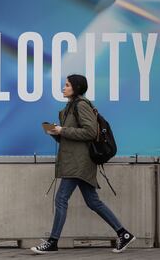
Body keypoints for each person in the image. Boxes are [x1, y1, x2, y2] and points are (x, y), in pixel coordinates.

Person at [30, 74, 135, 254]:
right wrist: (56, 132)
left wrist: (63, 129)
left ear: (76, 88)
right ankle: (123, 234)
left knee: (61, 198)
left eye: (67, 85)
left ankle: (53, 242)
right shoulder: (69, 108)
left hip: (79, 162)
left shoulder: (81, 105)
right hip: (75, 160)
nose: (64, 88)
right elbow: (71, 137)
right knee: (93, 202)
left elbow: (90, 132)